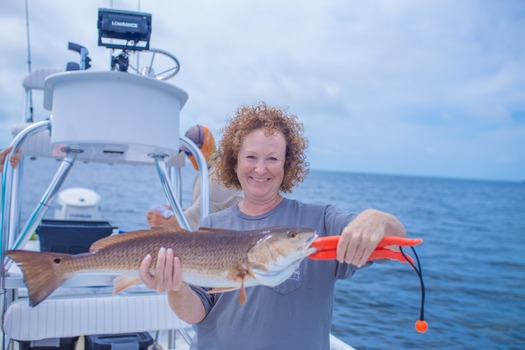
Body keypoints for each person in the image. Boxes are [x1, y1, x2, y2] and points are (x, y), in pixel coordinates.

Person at [139, 102, 407, 350]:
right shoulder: (212, 225)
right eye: (251, 157)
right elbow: (194, 312)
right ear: (234, 161)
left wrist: (378, 218)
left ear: (287, 165)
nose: (260, 169)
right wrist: (175, 287)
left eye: (272, 159)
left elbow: (395, 242)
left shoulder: (319, 222)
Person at [146, 125, 243, 230]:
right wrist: (176, 211)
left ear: (207, 146)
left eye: (191, 152)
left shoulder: (221, 173)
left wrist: (162, 224)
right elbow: (205, 211)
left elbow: (196, 217)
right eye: (187, 153)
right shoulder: (205, 174)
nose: (190, 156)